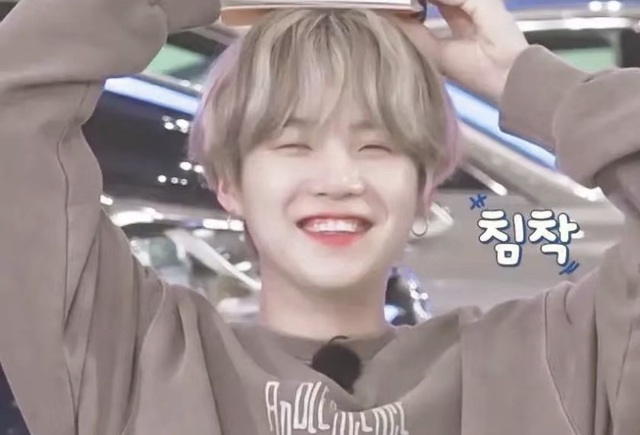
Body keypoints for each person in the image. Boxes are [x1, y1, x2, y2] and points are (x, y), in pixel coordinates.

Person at [0, 0, 638, 433]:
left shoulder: (553, 359)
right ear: (228, 182)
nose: (339, 180)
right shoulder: (131, 357)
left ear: (425, 187)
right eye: (293, 144)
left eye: (377, 146)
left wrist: (519, 77)